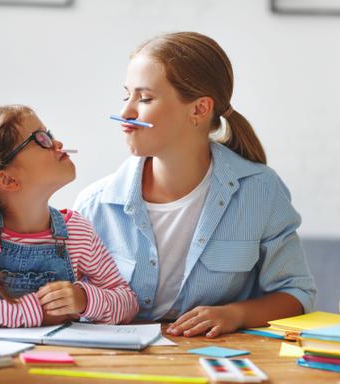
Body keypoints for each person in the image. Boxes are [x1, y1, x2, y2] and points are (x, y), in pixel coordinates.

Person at [74, 32, 316, 338]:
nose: (126, 112)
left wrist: (236, 314)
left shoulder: (261, 191)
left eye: (145, 98)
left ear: (199, 109)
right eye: (127, 96)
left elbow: (297, 294)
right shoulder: (94, 204)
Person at [0, 105, 138, 329]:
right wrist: (35, 312)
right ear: (7, 180)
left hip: (67, 360)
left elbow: (127, 302)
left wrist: (85, 300)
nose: (57, 144)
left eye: (49, 134)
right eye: (41, 139)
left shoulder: (76, 231)